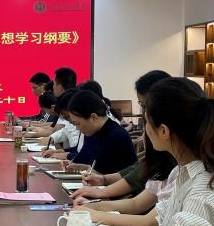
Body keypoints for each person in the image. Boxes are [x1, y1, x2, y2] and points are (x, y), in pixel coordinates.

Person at [70, 77, 214, 226]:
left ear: (164, 131)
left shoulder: (202, 190)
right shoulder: (183, 173)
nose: (145, 130)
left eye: (147, 122)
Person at [70, 69, 171, 202]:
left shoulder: (114, 135)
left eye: (144, 105)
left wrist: (101, 192)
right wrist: (102, 182)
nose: (144, 113)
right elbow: (143, 167)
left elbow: (138, 204)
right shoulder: (99, 131)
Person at [63, 90, 136, 173]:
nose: (77, 128)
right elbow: (95, 167)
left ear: (93, 117)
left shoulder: (115, 136)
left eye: (77, 123)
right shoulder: (97, 132)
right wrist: (81, 167)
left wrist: (87, 169)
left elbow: (108, 175)